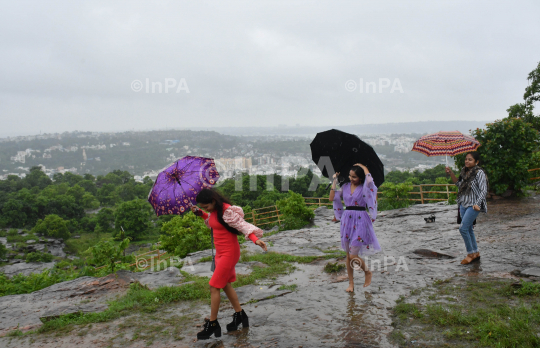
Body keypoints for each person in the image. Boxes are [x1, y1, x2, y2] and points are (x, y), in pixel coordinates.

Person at [191, 188, 267, 340]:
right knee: (225, 285)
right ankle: (240, 315)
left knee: (214, 286)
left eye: (206, 206)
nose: (205, 209)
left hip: (229, 253)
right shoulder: (214, 211)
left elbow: (242, 225)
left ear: (213, 200)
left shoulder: (227, 211)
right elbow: (213, 222)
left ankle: (212, 324)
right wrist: (201, 213)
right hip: (220, 253)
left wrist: (255, 240)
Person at [329, 163, 381, 291]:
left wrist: (364, 167)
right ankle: (351, 283)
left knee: (353, 255)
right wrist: (334, 181)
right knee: (348, 256)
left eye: (354, 177)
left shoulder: (365, 188)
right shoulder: (345, 186)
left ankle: (367, 272)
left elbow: (369, 181)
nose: (351, 178)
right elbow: (332, 198)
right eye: (350, 176)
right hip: (347, 221)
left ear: (361, 178)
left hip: (361, 220)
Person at [445, 152, 488, 265]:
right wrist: (451, 173)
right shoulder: (464, 171)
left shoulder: (479, 173)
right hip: (463, 204)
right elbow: (458, 184)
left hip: (474, 205)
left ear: (476, 162)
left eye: (470, 159)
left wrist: (478, 203)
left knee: (463, 229)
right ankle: (475, 252)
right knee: (468, 229)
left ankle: (470, 254)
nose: (467, 161)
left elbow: (484, 190)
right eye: (466, 159)